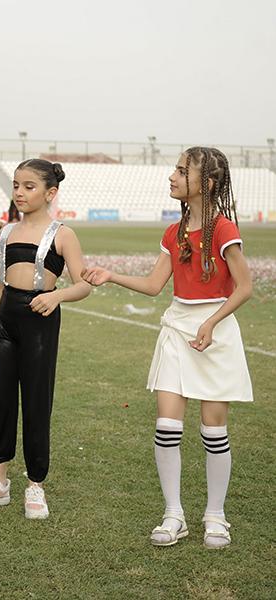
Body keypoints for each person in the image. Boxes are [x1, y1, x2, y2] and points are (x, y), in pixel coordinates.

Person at [83, 147, 252, 549]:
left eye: (180, 171)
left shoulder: (224, 229)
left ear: (206, 183)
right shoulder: (172, 233)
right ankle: (174, 515)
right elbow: (154, 285)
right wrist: (111, 275)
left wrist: (211, 322)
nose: (172, 177)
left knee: (214, 432)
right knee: (167, 428)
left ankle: (215, 516)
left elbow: (245, 287)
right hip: (177, 330)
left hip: (216, 334)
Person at [0, 159, 91, 519]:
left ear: (50, 193)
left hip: (40, 320)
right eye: (16, 185)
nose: (19, 192)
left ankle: (35, 485)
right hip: (6, 320)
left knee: (36, 401)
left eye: (29, 186)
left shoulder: (62, 234)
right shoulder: (7, 232)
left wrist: (56, 296)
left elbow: (83, 285)